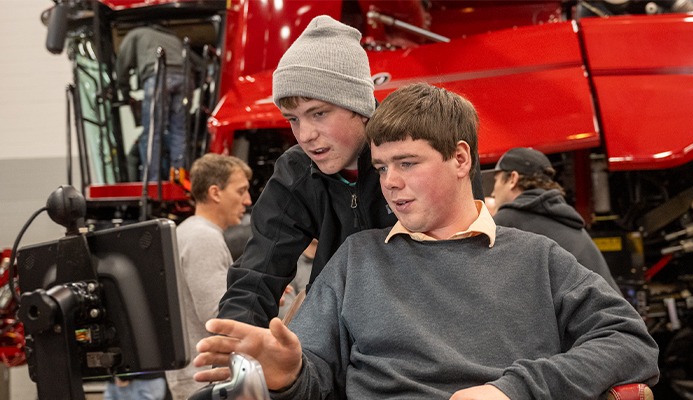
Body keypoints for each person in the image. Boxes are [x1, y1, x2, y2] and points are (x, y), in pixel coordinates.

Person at [192, 83, 659, 399]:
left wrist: (514, 389)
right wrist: (289, 375)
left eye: (407, 163)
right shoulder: (358, 259)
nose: (390, 182)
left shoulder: (537, 258)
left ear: (460, 159)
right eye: (380, 167)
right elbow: (314, 378)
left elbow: (630, 343)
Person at [216, 14, 485, 326]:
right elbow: (258, 272)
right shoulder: (296, 173)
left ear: (359, 107)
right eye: (293, 119)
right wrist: (232, 341)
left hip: (427, 330)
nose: (305, 135)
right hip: (339, 334)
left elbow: (465, 255)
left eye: (319, 113)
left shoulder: (425, 152)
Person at [165, 153, 253, 399]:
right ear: (215, 193)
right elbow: (218, 314)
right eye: (241, 191)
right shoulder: (203, 238)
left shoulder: (189, 231)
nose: (247, 201)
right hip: (207, 377)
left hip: (198, 375)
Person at [490, 147, 621, 293]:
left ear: (512, 179)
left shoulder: (507, 221)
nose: (493, 192)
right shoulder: (566, 221)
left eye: (496, 181)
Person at [115, 25, 191, 181]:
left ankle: (152, 180)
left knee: (152, 132)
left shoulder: (136, 33)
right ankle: (178, 176)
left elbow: (122, 63)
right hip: (185, 78)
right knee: (179, 131)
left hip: (158, 75)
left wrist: (123, 89)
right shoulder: (174, 39)